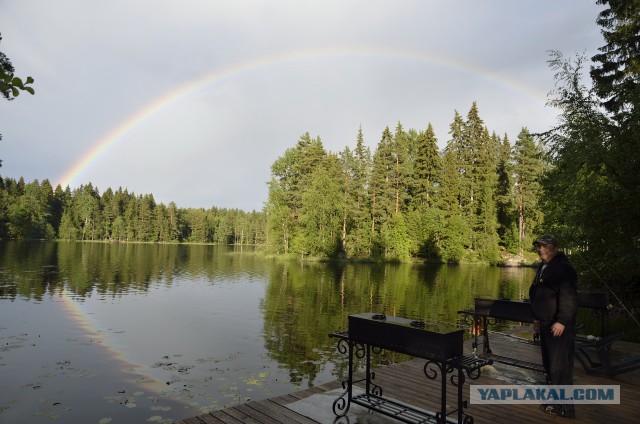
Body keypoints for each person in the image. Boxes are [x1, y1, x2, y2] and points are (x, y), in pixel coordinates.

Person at [529, 234, 578, 419]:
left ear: (554, 247)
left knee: (561, 369)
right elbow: (539, 294)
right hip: (545, 323)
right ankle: (554, 401)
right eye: (539, 246)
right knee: (550, 366)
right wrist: (536, 318)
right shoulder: (544, 266)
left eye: (545, 246)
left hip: (559, 327)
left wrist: (562, 321)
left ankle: (565, 409)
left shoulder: (564, 268)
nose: (541, 249)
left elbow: (569, 298)